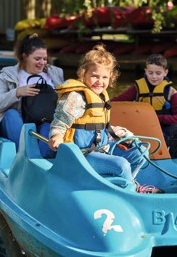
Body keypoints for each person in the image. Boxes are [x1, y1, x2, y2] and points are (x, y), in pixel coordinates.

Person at [48, 44, 163, 193]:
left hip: (102, 149)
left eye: (104, 77)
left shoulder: (101, 97)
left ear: (111, 78)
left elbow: (100, 127)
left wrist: (122, 134)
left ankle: (127, 183)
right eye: (94, 76)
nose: (99, 81)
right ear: (83, 74)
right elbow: (60, 121)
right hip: (80, 156)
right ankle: (132, 192)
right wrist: (56, 136)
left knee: (141, 153)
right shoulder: (76, 97)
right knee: (121, 165)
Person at [0, 33, 64, 157]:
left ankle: (43, 161)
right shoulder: (7, 74)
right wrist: (17, 92)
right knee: (11, 114)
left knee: (49, 126)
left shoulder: (55, 73)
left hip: (45, 120)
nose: (42, 63)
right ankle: (24, 155)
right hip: (16, 122)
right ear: (24, 56)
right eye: (37, 59)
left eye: (45, 59)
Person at [111, 53, 177, 157]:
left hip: (163, 129)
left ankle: (175, 160)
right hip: (141, 127)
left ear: (165, 73)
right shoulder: (136, 89)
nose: (154, 76)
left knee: (176, 131)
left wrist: (155, 118)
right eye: (150, 73)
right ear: (145, 71)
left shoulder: (172, 93)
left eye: (158, 73)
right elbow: (117, 101)